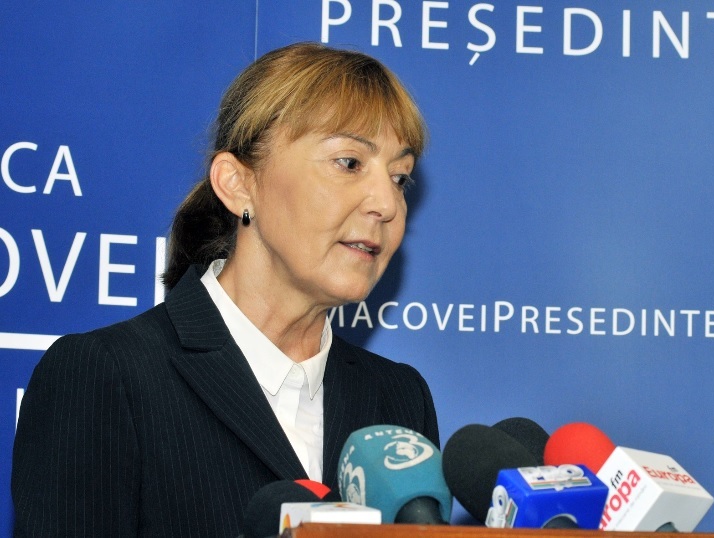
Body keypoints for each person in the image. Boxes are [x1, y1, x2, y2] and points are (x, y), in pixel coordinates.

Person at [12, 42, 439, 537]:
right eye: (349, 163)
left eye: (400, 178)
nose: (386, 203)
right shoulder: (107, 376)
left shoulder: (398, 398)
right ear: (237, 184)